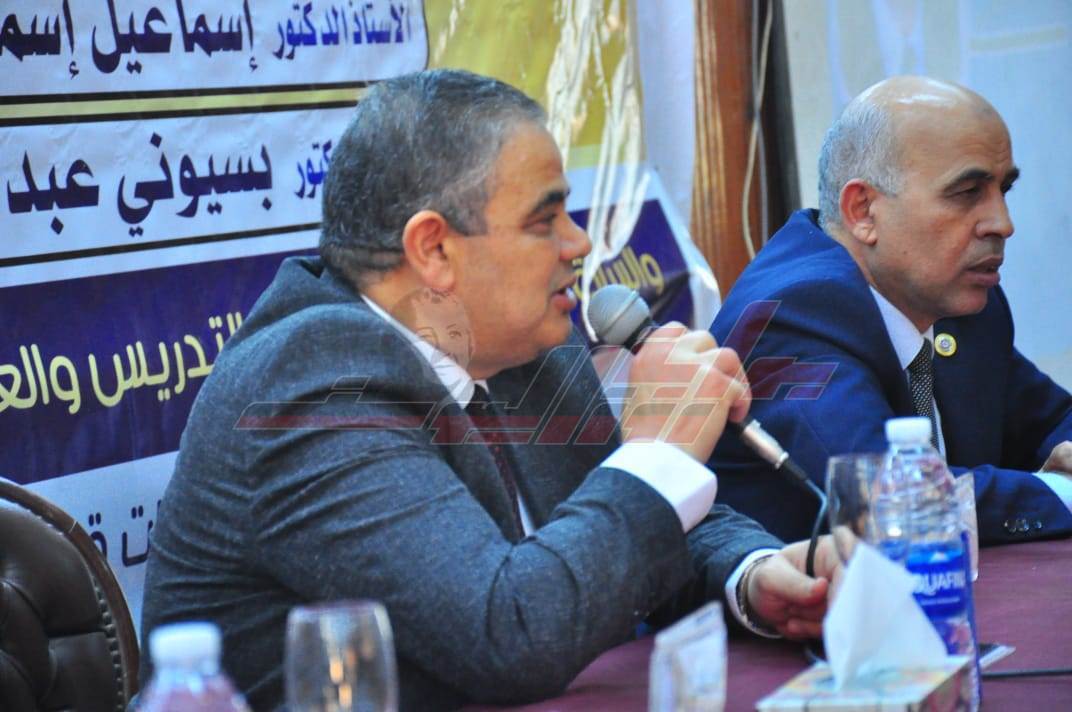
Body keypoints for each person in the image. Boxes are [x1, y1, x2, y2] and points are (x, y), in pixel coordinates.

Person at [139, 69, 840, 711]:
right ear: (435, 250)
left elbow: (621, 530)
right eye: (544, 221)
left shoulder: (523, 345)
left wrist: (752, 576)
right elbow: (511, 635)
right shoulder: (313, 384)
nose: (579, 244)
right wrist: (660, 451)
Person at [708, 76, 1072, 545]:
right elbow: (889, 498)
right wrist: (1060, 492)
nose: (1002, 223)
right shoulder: (790, 314)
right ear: (863, 211)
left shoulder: (957, 301)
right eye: (967, 193)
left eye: (1004, 190)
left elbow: (1050, 421)